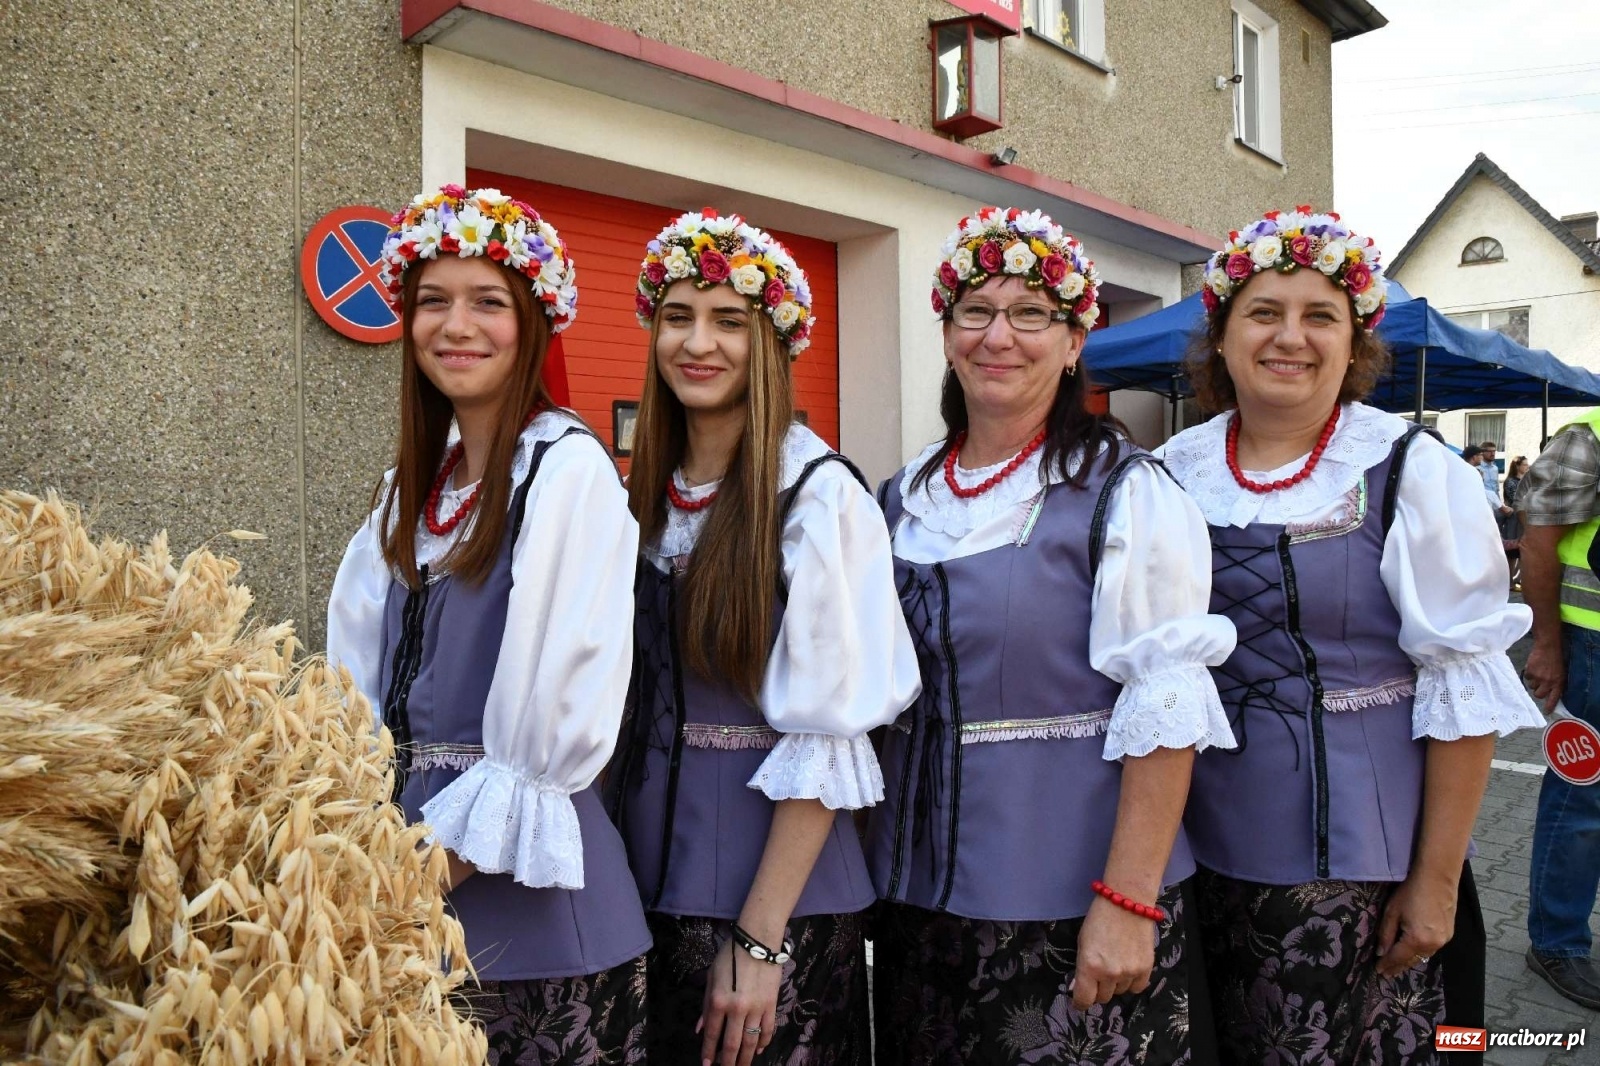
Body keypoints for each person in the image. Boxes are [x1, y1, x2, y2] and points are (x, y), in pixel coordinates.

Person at [1160, 206, 1544, 1063]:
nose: (1289, 337)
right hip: (1190, 846)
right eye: (1263, 312)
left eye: (1319, 316)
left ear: (1355, 342)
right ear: (1221, 335)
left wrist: (1436, 882)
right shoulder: (1169, 473)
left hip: (1361, 865)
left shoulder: (1411, 469)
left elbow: (1463, 689)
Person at [866, 206, 1237, 1065]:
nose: (998, 336)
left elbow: (1166, 707)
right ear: (948, 335)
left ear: (1074, 342)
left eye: (1030, 313)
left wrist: (1130, 901)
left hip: (1071, 901)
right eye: (976, 311)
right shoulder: (901, 497)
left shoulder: (1126, 491)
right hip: (918, 901)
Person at [327, 185, 651, 1063]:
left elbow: (554, 724)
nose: (456, 326)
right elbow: (351, 695)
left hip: (527, 919)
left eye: (487, 302)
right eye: (433, 301)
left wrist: (397, 888)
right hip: (399, 904)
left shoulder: (567, 469)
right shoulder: (409, 491)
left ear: (533, 323)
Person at [607, 209, 920, 1066]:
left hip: (776, 902)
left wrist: (759, 937)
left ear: (772, 343)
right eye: (677, 317)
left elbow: (832, 731)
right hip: (643, 882)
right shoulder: (641, 497)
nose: (697, 343)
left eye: (728, 321)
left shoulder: (819, 496)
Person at [1518, 421, 1600, 1009]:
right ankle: (1557, 942)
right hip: (1594, 646)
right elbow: (1539, 544)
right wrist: (1547, 644)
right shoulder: (1589, 436)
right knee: (1581, 802)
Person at [1502, 456, 1529, 590]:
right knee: (1512, 551)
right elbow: (1515, 500)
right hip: (1514, 518)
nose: (1527, 467)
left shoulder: (1527, 481)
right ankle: (1509, 582)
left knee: (1523, 550)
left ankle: (1520, 579)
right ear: (1517, 466)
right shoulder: (1510, 482)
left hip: (1525, 517)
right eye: (1524, 464)